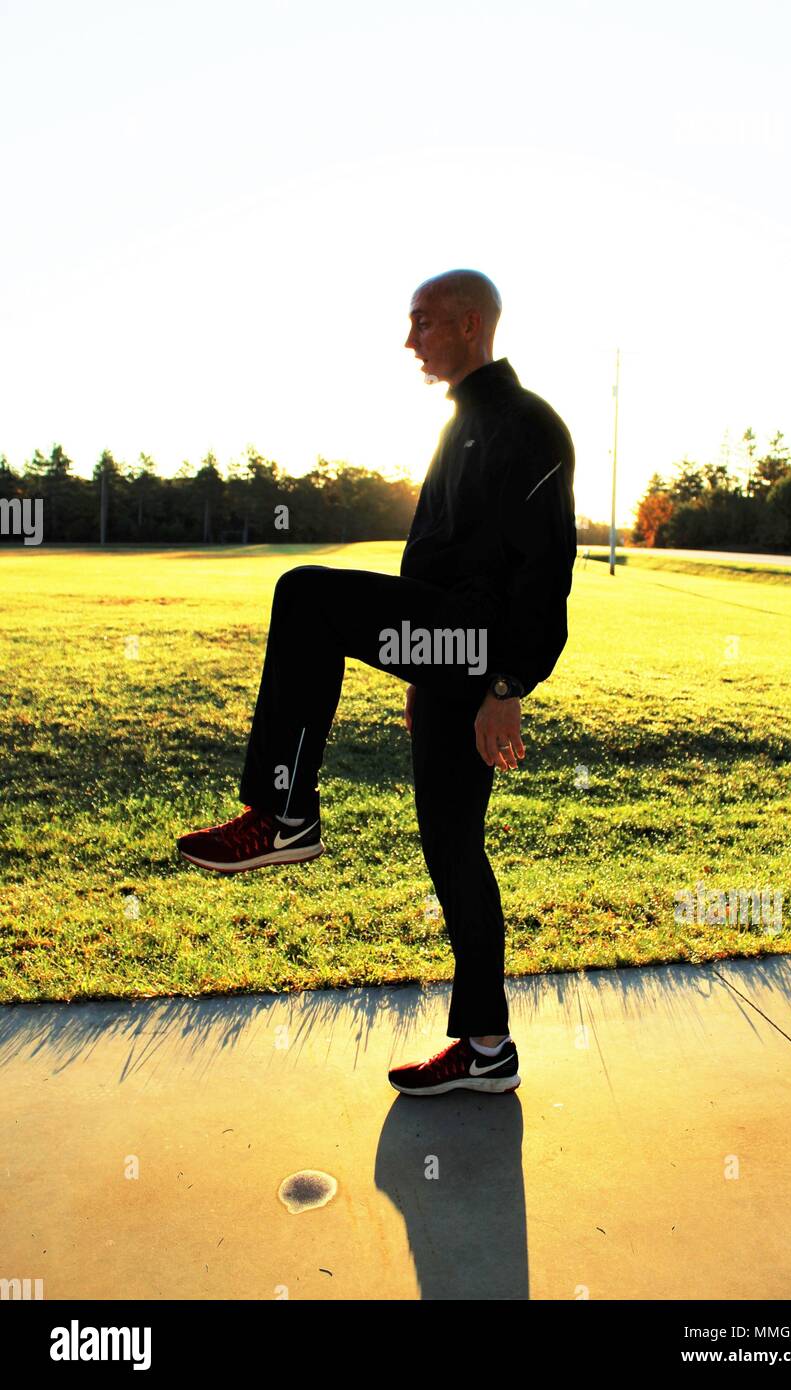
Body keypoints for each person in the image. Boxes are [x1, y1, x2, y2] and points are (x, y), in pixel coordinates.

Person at [176, 268, 577, 1096]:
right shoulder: (458, 427)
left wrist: (505, 686)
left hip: (480, 646)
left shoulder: (531, 426)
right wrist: (416, 667)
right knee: (453, 848)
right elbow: (428, 562)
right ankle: (487, 1047)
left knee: (305, 594)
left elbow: (548, 569)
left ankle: (284, 812)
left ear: (469, 324)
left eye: (422, 322)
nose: (409, 340)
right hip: (445, 653)